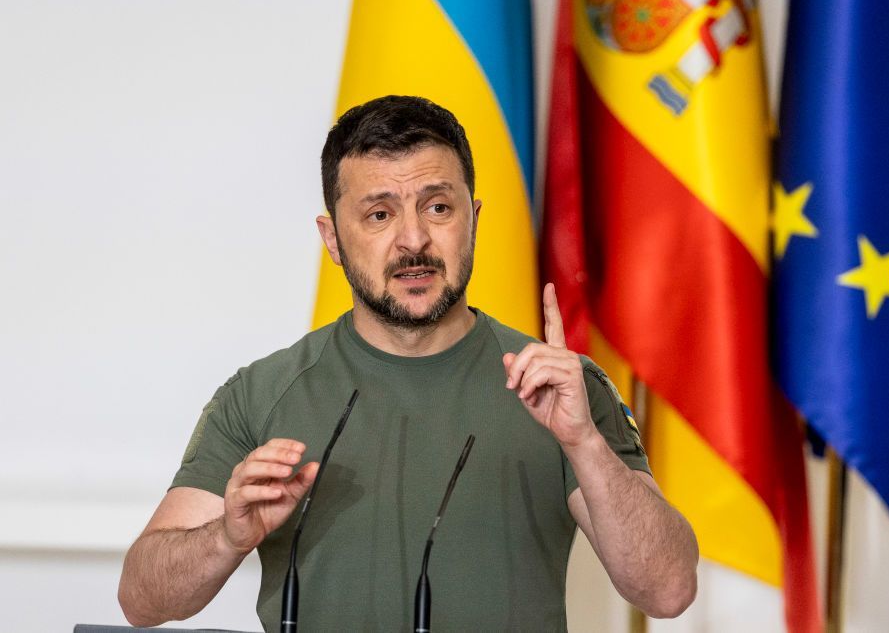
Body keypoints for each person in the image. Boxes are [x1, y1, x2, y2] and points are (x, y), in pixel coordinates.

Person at [118, 95, 698, 630]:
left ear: (473, 219)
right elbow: (141, 600)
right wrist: (226, 537)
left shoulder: (559, 387)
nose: (413, 240)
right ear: (332, 239)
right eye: (379, 214)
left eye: (438, 208)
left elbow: (668, 590)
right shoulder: (261, 393)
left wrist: (584, 444)